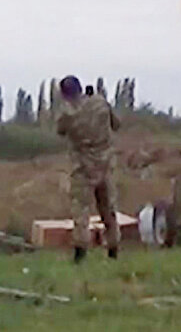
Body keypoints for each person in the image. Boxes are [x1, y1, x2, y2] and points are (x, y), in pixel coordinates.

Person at [55, 75, 121, 263]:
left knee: (81, 211)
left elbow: (60, 130)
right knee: (108, 209)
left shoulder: (67, 113)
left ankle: (81, 252)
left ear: (65, 94)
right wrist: (96, 100)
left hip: (83, 168)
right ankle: (113, 249)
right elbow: (116, 124)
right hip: (105, 165)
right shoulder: (100, 103)